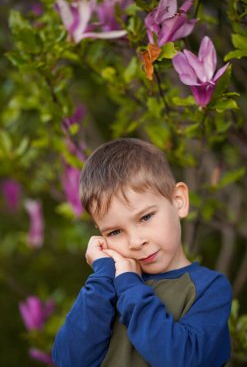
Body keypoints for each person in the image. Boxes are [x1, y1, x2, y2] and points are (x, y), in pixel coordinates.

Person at [52, 138, 232, 367]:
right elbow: (68, 361)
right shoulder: (105, 290)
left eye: (145, 217)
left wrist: (130, 286)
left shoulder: (209, 288)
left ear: (178, 201)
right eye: (115, 231)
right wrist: (102, 279)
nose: (135, 242)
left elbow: (184, 360)